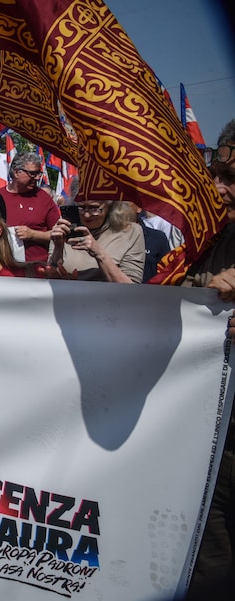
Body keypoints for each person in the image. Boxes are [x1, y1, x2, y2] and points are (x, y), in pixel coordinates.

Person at [183, 119, 235, 601]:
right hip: (212, 437)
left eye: (231, 178)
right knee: (208, 565)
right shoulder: (214, 237)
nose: (219, 188)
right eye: (217, 175)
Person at [49, 199, 145, 283]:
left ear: (110, 206)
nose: (86, 215)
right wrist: (58, 248)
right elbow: (51, 270)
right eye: (81, 207)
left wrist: (99, 254)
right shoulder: (65, 227)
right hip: (68, 294)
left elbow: (131, 288)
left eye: (94, 208)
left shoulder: (130, 231)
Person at [0, 152, 61, 263]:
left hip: (37, 268)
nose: (37, 178)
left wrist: (33, 234)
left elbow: (59, 235)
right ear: (16, 172)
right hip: (5, 266)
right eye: (32, 174)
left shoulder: (43, 198)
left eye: (38, 173)